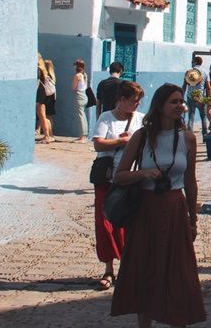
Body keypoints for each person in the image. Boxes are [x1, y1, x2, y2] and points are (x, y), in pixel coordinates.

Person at [110, 84, 206, 326]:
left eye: (181, 101)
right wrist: (143, 173)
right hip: (147, 209)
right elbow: (119, 176)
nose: (179, 106)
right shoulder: (141, 137)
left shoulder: (188, 139)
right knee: (146, 266)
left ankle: (178, 319)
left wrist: (193, 220)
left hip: (174, 208)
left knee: (178, 270)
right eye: (173, 102)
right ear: (160, 106)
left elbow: (190, 182)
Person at [91, 80, 144, 291]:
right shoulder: (107, 118)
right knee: (105, 224)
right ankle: (108, 268)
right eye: (133, 101)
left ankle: (128, 268)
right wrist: (120, 142)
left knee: (129, 225)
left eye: (139, 102)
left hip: (131, 178)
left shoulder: (141, 120)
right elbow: (97, 143)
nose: (136, 105)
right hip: (107, 178)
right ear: (121, 100)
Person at [183, 56, 209, 142]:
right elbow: (208, 87)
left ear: (194, 62)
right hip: (201, 97)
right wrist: (209, 98)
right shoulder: (205, 72)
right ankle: (205, 137)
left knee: (191, 116)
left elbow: (184, 85)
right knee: (204, 117)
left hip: (190, 96)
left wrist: (181, 96)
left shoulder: (189, 72)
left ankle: (190, 137)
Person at [36, 56, 53, 144]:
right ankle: (48, 135)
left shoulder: (38, 69)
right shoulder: (43, 69)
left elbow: (37, 82)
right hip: (43, 94)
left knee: (42, 116)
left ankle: (47, 136)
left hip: (40, 94)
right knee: (43, 116)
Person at [72, 59, 90, 142]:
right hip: (85, 95)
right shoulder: (84, 74)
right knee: (83, 115)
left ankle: (82, 137)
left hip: (80, 95)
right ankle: (83, 135)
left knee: (81, 116)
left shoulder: (78, 75)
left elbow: (73, 87)